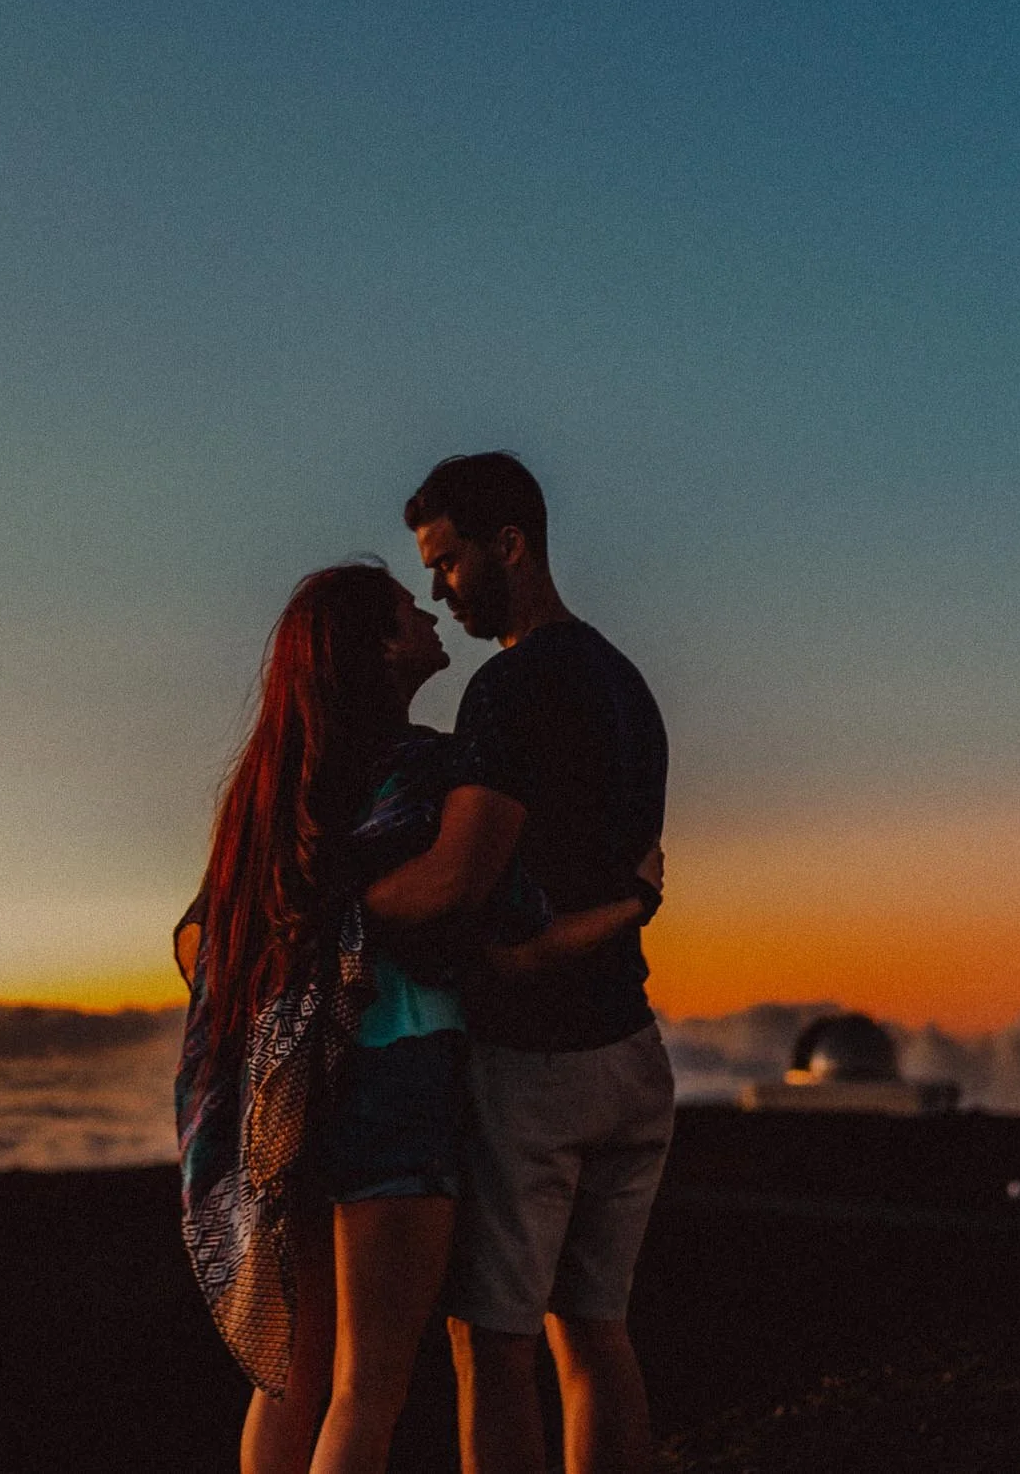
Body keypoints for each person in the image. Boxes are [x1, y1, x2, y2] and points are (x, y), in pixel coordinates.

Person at [174, 562, 653, 1474]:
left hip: (290, 1090)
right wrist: (631, 901)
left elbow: (201, 947)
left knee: (290, 1379)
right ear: (379, 651)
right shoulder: (431, 770)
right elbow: (496, 911)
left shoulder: (270, 795)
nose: (431, 609)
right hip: (399, 1078)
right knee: (369, 1385)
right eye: (406, 609)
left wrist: (305, 956)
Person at [405, 453, 673, 1474]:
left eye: (447, 562)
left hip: (534, 1062)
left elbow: (462, 885)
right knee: (595, 1332)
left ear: (508, 545)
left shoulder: (510, 689)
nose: (438, 587)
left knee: (491, 1342)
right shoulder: (626, 683)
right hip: (633, 1051)